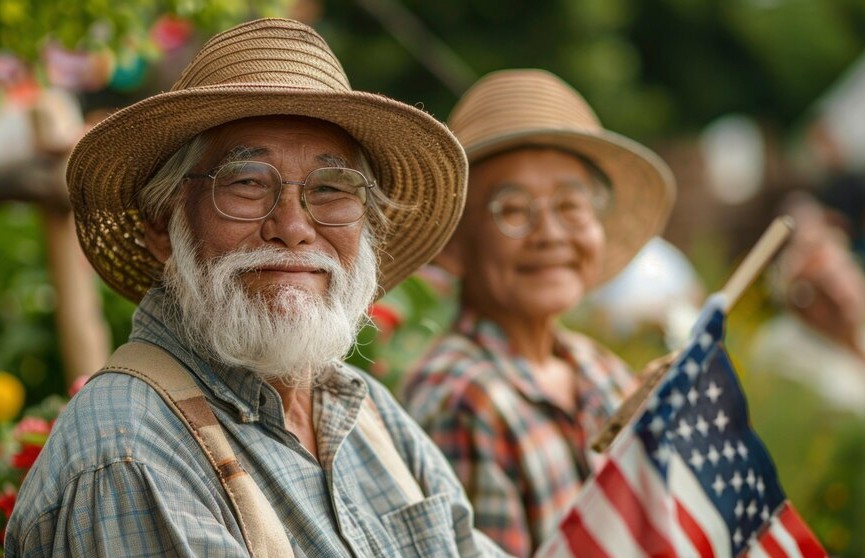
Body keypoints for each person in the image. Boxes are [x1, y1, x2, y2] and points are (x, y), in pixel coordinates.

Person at [4, 18, 512, 557]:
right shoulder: (132, 451)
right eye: (247, 183)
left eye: (332, 188)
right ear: (162, 224)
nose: (293, 226)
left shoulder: (366, 413)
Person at [399, 68, 677, 557]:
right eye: (512, 209)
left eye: (571, 206)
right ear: (454, 243)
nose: (549, 234)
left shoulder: (600, 369)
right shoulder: (462, 396)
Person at [746, 194, 865, 557]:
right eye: (827, 284)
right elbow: (846, 412)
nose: (844, 293)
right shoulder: (781, 349)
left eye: (845, 273)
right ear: (803, 299)